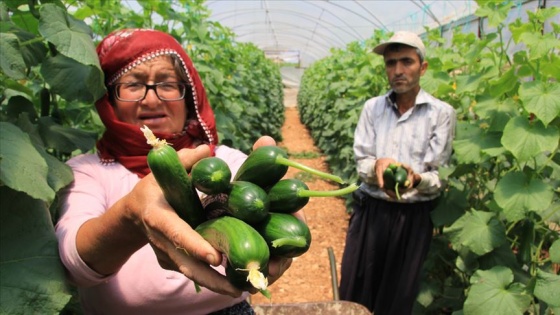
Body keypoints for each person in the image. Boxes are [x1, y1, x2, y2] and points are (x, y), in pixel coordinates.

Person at [55, 28, 299, 315]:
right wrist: (132, 215)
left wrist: (279, 209)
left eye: (167, 84)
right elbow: (73, 263)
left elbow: (260, 204)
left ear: (189, 94)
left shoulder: (224, 162)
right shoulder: (86, 171)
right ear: (110, 99)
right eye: (132, 85)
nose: (151, 100)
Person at [338, 31, 456, 315]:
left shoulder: (441, 113)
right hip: (371, 211)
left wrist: (416, 179)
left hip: (412, 218)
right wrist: (377, 167)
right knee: (356, 288)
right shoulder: (373, 108)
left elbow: (437, 176)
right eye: (391, 63)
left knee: (399, 295)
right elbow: (363, 160)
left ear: (422, 67)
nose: (398, 70)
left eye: (407, 61)